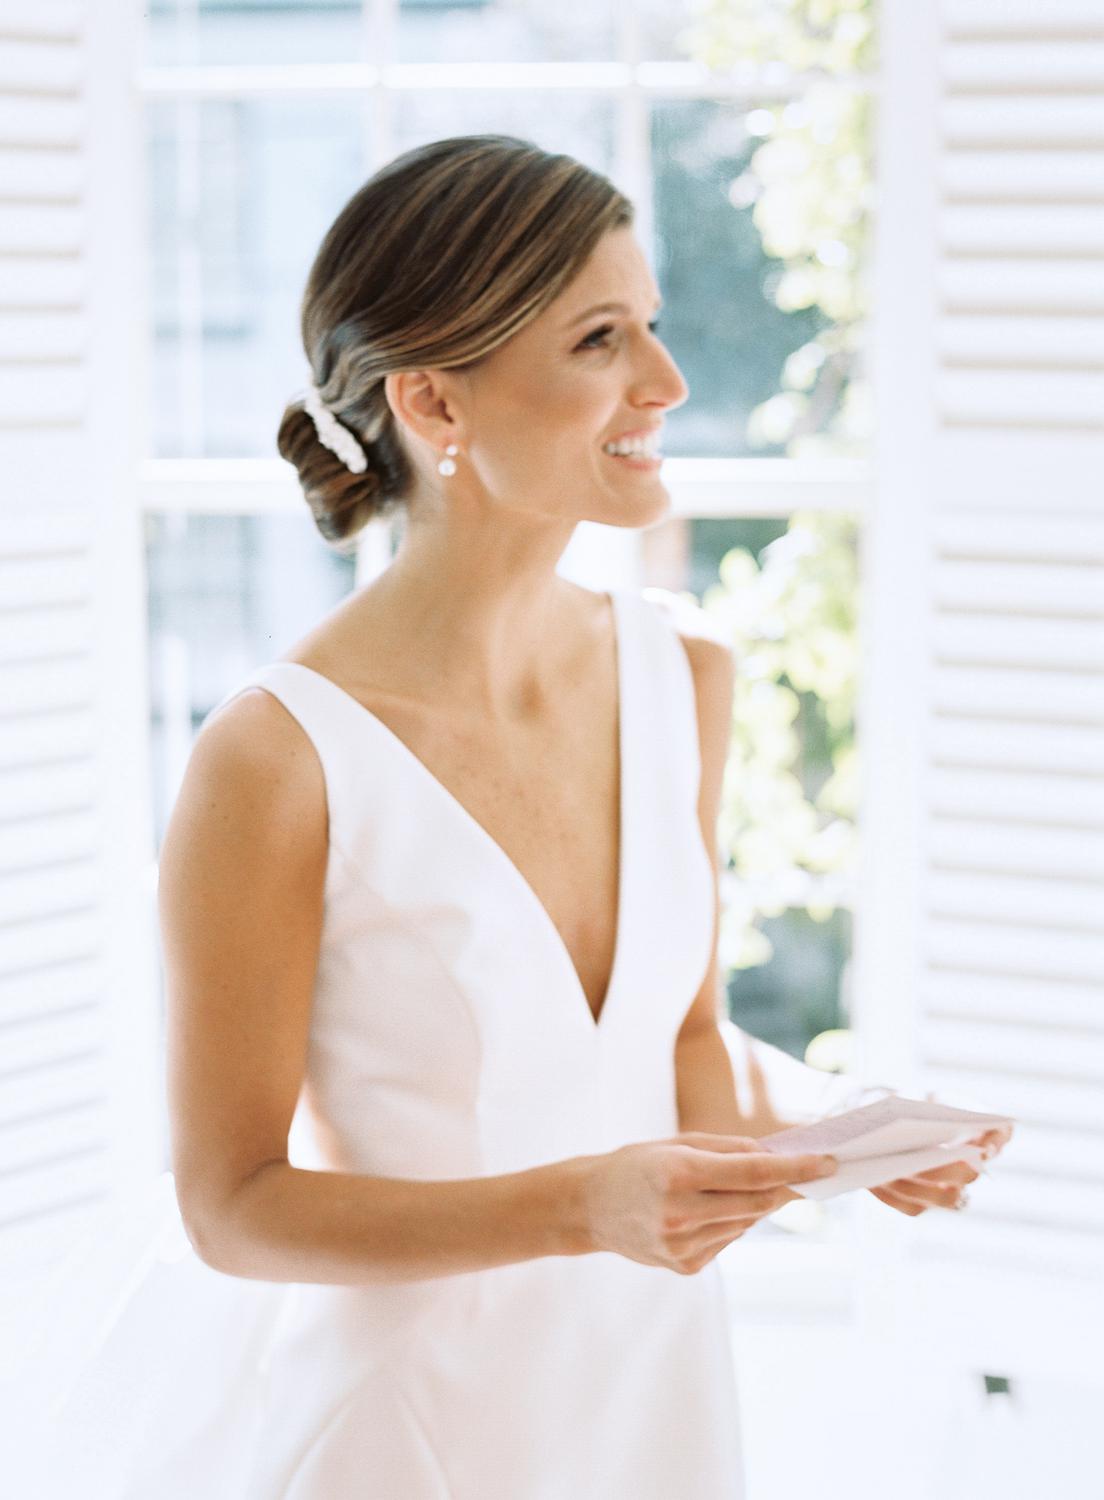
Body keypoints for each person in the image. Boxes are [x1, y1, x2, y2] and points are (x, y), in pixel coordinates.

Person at [3, 134, 1010, 1500]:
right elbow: (231, 1207)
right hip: (407, 1429)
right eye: (601, 340)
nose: (667, 382)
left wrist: (837, 1128)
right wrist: (584, 1207)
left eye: (649, 326)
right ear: (434, 403)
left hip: (654, 1399)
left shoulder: (684, 675)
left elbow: (681, 1042)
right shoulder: (276, 758)